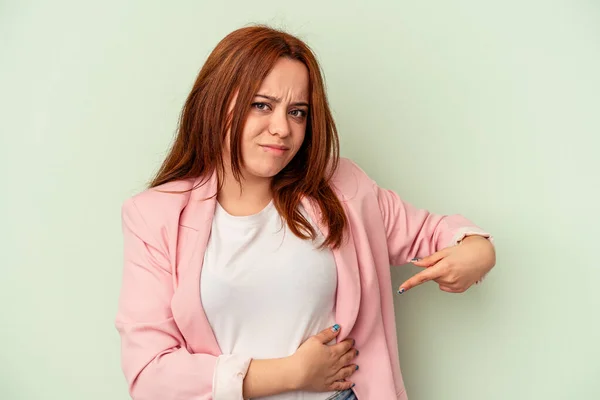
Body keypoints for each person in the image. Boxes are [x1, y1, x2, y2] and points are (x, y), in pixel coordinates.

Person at [115, 25, 496, 400]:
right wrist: (292, 373)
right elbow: (150, 375)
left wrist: (478, 252)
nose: (282, 128)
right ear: (216, 103)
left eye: (297, 112)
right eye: (261, 105)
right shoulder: (155, 216)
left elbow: (437, 233)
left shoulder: (342, 188)